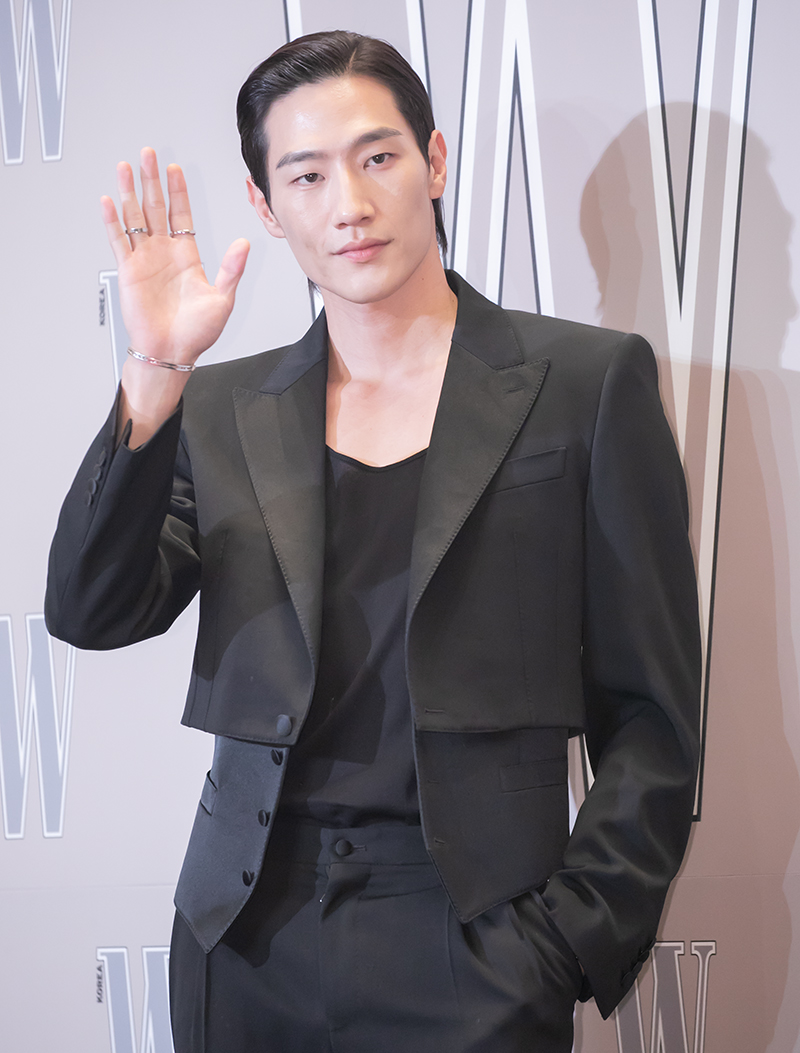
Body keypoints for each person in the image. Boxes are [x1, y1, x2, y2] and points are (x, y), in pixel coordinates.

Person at [45, 30, 701, 1053]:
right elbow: (94, 610)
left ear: (432, 161)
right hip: (243, 942)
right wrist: (154, 375)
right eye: (306, 175)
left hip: (475, 942)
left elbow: (652, 716)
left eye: (377, 157)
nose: (348, 204)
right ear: (266, 205)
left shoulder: (585, 384)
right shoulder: (220, 410)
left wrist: (562, 944)